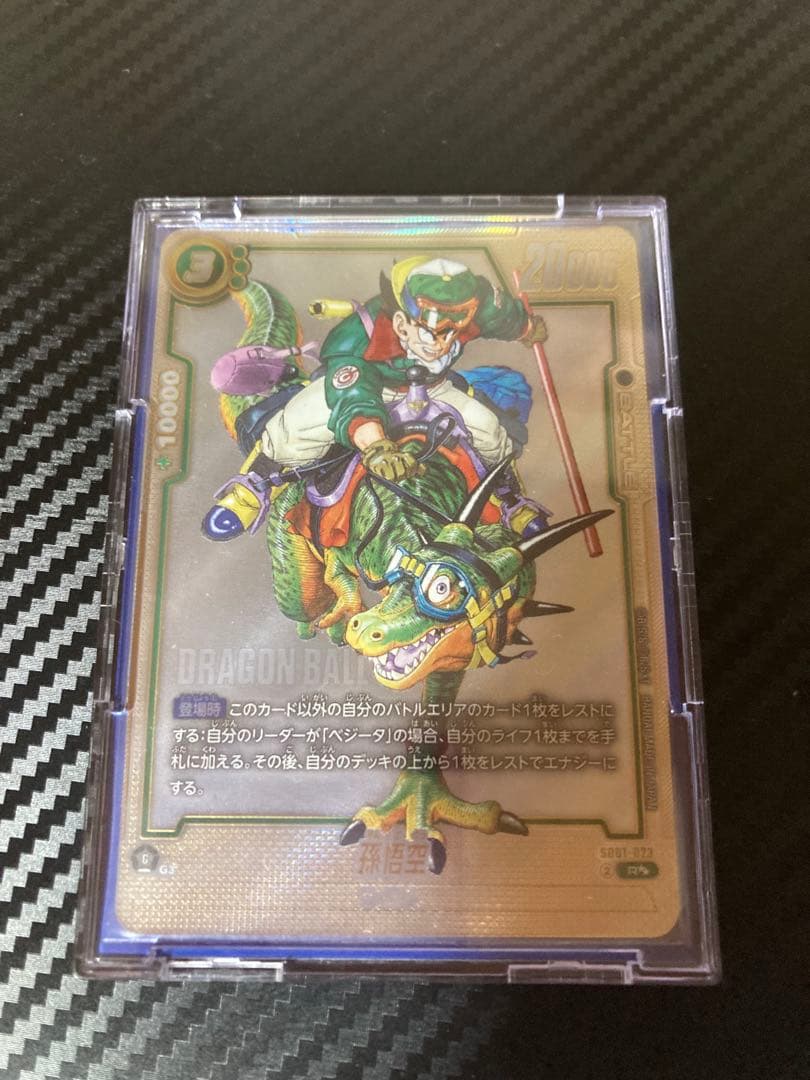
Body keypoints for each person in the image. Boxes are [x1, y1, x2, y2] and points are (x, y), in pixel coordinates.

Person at [203, 256, 551, 541]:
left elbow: (504, 317)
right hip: (369, 389)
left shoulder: (476, 307)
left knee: (490, 432)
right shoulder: (357, 337)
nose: (443, 342)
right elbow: (353, 396)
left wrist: (527, 328)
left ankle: (509, 499)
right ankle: (253, 488)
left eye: (455, 327)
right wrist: (377, 447)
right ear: (401, 321)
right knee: (294, 427)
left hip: (435, 389)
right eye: (431, 328)